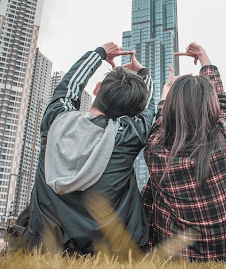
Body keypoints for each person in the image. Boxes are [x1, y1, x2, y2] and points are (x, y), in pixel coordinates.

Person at [26, 43, 154, 254]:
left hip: (48, 248)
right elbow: (147, 109)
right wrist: (143, 74)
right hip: (113, 251)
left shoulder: (55, 120)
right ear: (132, 113)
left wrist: (100, 54)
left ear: (96, 89)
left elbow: (69, 85)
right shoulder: (130, 135)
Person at [142, 42, 226, 264]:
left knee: (151, 194)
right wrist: (205, 60)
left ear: (171, 111)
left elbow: (159, 123)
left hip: (180, 261)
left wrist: (166, 95)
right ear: (211, 106)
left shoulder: (156, 152)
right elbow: (225, 101)